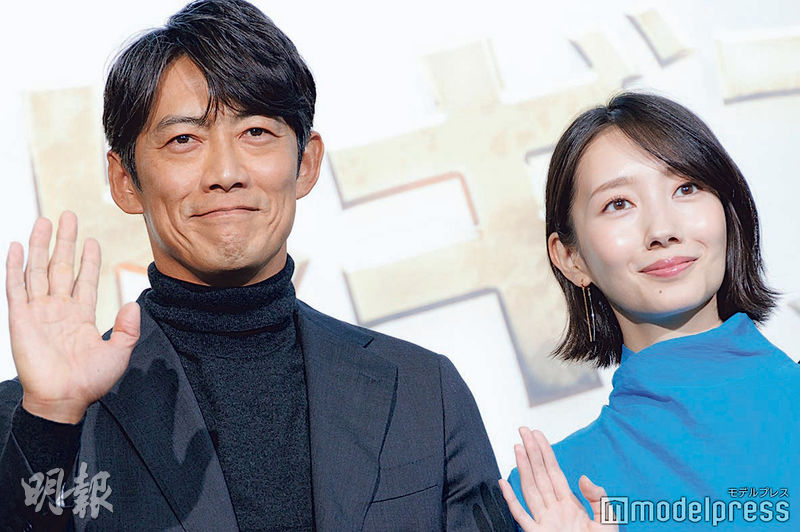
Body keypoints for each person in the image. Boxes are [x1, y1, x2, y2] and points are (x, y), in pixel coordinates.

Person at [0, 1, 515, 529]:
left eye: (256, 133)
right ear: (125, 181)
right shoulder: (33, 416)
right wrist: (52, 421)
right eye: (183, 139)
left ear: (306, 163)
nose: (225, 172)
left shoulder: (423, 393)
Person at [498, 92, 799, 530]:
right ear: (570, 258)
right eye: (618, 204)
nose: (662, 230)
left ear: (727, 211)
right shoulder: (552, 495)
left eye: (686, 188)